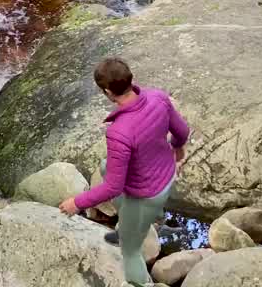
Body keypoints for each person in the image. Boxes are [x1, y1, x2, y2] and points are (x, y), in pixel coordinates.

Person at [58, 57, 190, 286]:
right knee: (105, 166)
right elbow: (183, 131)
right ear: (131, 78)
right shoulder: (158, 97)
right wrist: (177, 149)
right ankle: (131, 227)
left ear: (108, 92)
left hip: (147, 194)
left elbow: (113, 187)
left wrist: (77, 203)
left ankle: (141, 280)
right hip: (166, 174)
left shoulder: (119, 132)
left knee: (130, 254)